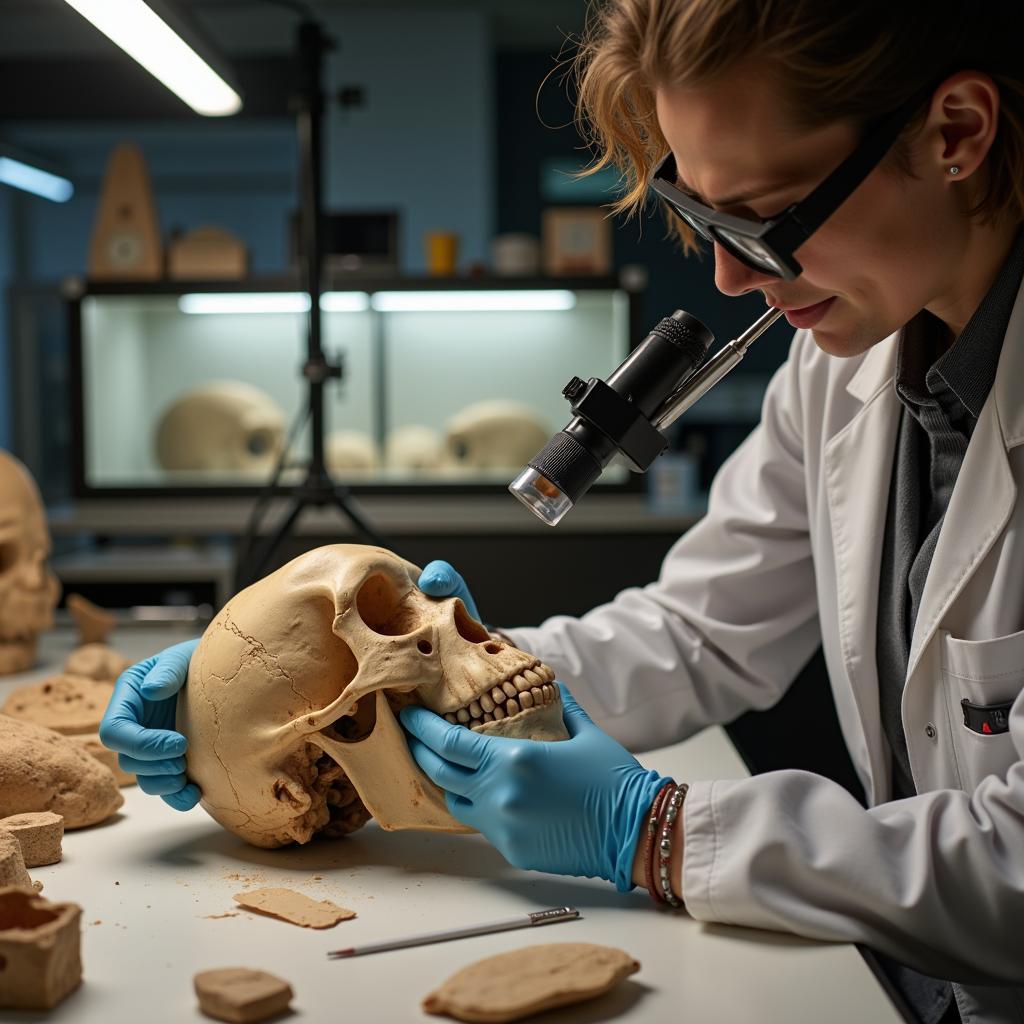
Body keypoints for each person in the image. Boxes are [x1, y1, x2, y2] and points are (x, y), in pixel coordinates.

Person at [100, 2, 1024, 1022]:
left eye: (765, 216)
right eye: (702, 215)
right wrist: (275, 680)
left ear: (956, 134)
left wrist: (656, 832)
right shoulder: (840, 369)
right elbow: (697, 634)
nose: (725, 274)